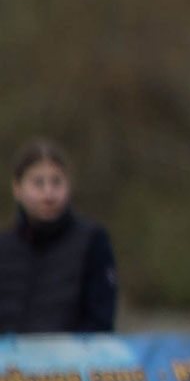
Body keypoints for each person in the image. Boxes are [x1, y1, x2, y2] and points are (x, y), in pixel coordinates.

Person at [1, 140, 117, 334]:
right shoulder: (3, 247)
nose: (49, 194)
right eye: (38, 183)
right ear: (17, 188)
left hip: (74, 362)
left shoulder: (92, 241)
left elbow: (101, 321)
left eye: (56, 182)